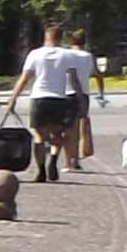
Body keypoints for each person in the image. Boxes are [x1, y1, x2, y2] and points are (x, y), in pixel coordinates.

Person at [16, 25, 93, 175]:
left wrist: (13, 98)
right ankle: (53, 160)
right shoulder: (67, 55)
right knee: (58, 135)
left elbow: (25, 78)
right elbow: (74, 79)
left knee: (39, 137)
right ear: (60, 38)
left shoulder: (35, 54)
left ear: (46, 37)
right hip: (59, 99)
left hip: (39, 98)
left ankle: (41, 169)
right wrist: (81, 100)